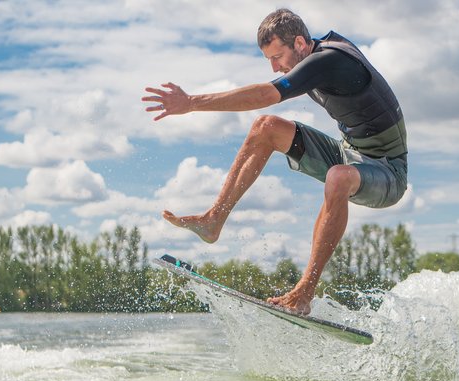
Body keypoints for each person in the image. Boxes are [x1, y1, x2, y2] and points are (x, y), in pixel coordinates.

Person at [142, 8, 408, 315]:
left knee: (338, 176)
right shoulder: (311, 56)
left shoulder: (330, 60)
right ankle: (214, 219)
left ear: (299, 43)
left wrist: (191, 103)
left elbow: (266, 94)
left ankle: (305, 291)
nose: (274, 66)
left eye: (277, 56)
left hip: (387, 172)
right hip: (351, 154)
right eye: (269, 59)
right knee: (265, 127)